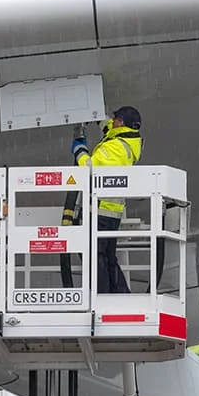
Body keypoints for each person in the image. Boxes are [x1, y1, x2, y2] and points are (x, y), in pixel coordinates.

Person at [72, 106, 142, 294]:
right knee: (106, 255)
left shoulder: (116, 146)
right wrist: (94, 113)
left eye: (115, 118)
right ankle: (119, 294)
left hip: (100, 210)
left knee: (94, 254)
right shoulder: (126, 140)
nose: (113, 120)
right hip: (110, 211)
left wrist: (79, 148)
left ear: (121, 122)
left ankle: (105, 294)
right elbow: (108, 127)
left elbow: (89, 166)